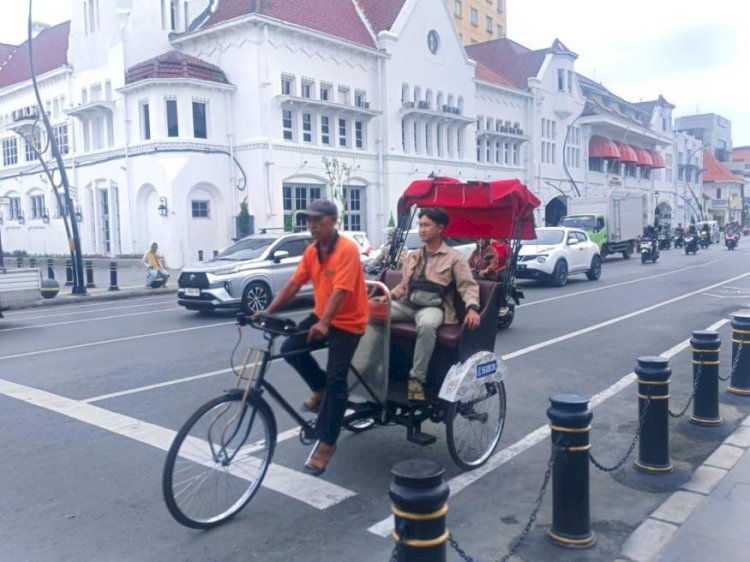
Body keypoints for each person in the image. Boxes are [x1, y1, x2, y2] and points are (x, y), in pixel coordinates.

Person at [260, 199, 368, 475]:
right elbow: (294, 284)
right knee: (290, 347)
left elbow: (340, 291)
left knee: (337, 379)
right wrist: (266, 312)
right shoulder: (312, 251)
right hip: (323, 317)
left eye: (317, 221)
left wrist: (324, 322)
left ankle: (328, 442)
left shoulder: (347, 249)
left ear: (333, 221)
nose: (312, 227)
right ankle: (318, 388)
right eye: (309, 221)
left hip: (347, 322)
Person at [386, 207, 481, 401]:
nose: (422, 229)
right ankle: (375, 370)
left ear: (440, 228)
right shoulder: (413, 256)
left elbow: (467, 286)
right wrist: (385, 297)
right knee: (371, 314)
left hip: (434, 308)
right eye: (420, 225)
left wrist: (472, 308)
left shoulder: (454, 257)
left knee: (427, 325)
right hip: (407, 304)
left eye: (426, 225)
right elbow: (403, 286)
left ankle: (416, 381)